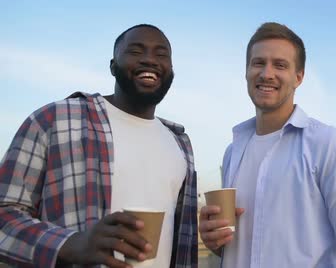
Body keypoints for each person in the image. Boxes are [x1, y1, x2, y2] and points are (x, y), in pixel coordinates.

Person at [0, 24, 198, 267]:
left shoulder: (179, 143)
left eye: (161, 54)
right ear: (113, 67)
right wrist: (71, 244)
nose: (150, 60)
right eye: (136, 51)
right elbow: (4, 215)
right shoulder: (54, 120)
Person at [198, 22, 336, 267]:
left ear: (299, 77)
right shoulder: (233, 151)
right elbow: (246, 249)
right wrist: (216, 242)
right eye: (258, 63)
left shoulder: (330, 146)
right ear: (246, 71)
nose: (266, 74)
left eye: (280, 65)